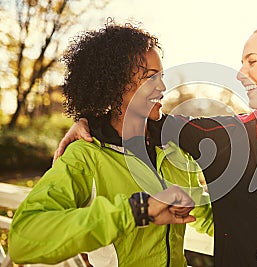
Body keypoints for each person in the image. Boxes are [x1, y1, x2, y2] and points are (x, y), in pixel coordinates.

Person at [54, 9, 257, 267]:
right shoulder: (220, 135)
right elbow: (137, 118)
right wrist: (87, 121)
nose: (240, 73)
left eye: (252, 61)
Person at [8, 19, 213, 267]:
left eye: (161, 76)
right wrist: (137, 210)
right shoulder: (85, 156)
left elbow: (208, 217)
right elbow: (23, 240)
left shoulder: (174, 150)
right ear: (115, 85)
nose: (162, 87)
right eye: (150, 78)